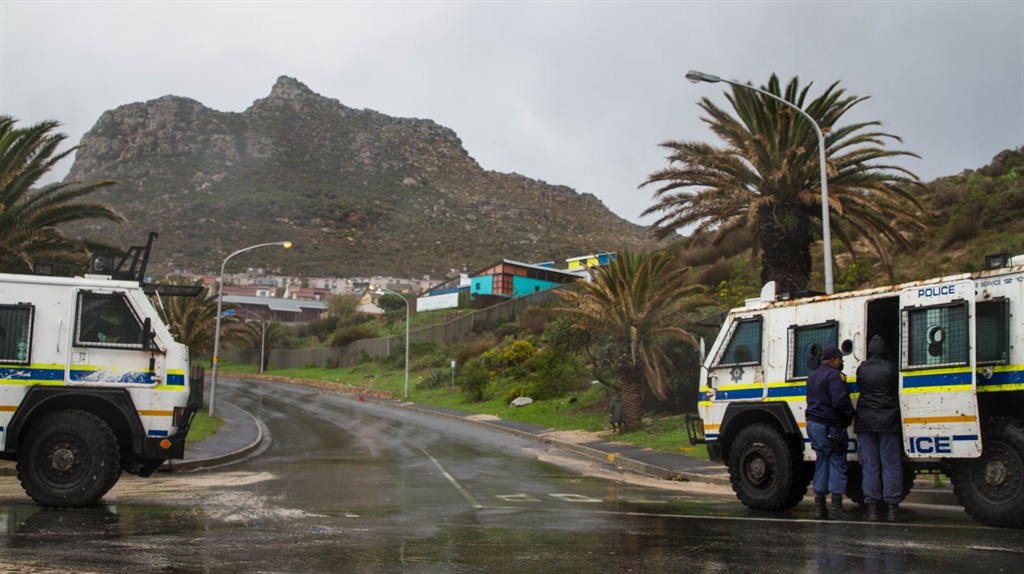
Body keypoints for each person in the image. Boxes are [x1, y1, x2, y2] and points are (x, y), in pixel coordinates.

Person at [855, 335, 904, 523]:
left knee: (870, 465)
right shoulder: (892, 367)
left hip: (866, 421)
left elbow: (862, 388)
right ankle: (892, 509)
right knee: (891, 463)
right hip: (888, 421)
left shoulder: (862, 369)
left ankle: (872, 508)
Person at [806, 345, 855, 520]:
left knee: (822, 461)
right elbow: (840, 401)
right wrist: (852, 413)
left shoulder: (812, 376)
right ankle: (836, 507)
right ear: (833, 360)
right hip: (831, 427)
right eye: (840, 358)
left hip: (813, 425)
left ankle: (819, 507)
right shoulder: (835, 376)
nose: (841, 361)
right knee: (837, 462)